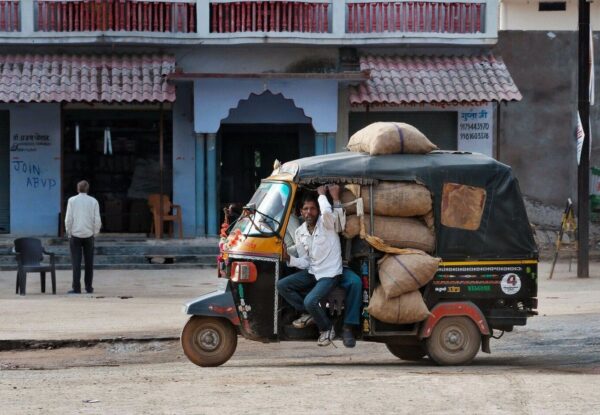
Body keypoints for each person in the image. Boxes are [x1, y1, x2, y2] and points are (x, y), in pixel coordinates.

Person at [277, 185, 362, 348]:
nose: (309, 212)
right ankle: (310, 314)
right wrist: (289, 258)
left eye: (312, 209)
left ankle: (327, 328)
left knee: (311, 300)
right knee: (282, 285)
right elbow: (305, 261)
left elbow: (328, 213)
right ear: (300, 212)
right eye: (305, 209)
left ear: (318, 210)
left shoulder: (326, 223)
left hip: (330, 273)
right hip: (313, 271)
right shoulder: (300, 232)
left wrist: (322, 195)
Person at [64, 180, 101, 294]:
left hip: (75, 235)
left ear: (77, 188)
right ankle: (89, 287)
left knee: (76, 262)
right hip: (89, 235)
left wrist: (69, 232)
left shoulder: (72, 200)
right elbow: (97, 219)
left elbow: (68, 219)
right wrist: (95, 232)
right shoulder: (93, 201)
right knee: (89, 262)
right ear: (88, 189)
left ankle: (76, 288)